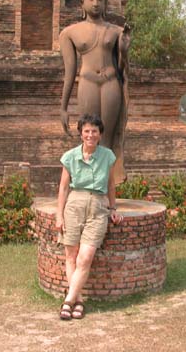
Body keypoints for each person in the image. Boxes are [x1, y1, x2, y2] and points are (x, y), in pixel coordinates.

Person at [59, 0, 131, 184]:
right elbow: (69, 72)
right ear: (82, 1)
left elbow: (121, 68)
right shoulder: (69, 33)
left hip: (110, 84)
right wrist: (63, 107)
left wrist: (124, 50)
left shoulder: (116, 31)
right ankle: (88, 183)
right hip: (88, 83)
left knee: (107, 138)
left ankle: (107, 188)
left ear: (106, 2)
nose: (96, 2)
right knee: (89, 135)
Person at [55, 113, 123, 320]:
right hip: (74, 205)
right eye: (86, 131)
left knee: (85, 257)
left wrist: (113, 208)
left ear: (100, 135)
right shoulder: (69, 157)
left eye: (95, 131)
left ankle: (68, 301)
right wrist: (59, 216)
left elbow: (111, 185)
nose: (90, 135)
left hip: (98, 207)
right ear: (80, 133)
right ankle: (79, 301)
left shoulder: (107, 156)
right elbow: (63, 188)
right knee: (71, 256)